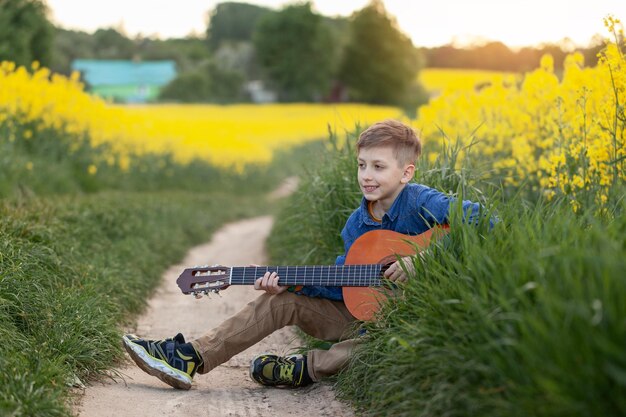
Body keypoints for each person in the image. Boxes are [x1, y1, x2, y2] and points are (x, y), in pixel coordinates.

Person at [123, 119, 488, 390]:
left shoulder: (424, 202)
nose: (367, 176)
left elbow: (487, 221)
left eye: (379, 167)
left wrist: (424, 259)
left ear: (406, 172)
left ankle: (305, 367)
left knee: (380, 344)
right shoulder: (356, 226)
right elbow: (347, 287)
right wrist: (289, 284)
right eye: (361, 165)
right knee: (281, 301)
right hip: (366, 317)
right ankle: (191, 357)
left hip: (417, 321)